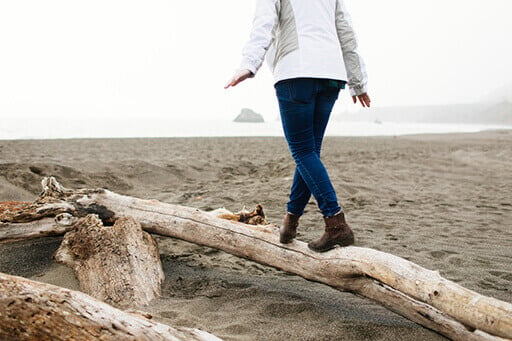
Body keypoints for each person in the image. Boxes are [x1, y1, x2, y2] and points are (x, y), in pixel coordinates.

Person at [225, 0, 371, 252]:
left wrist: (249, 65)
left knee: (303, 152)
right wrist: (357, 81)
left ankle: (336, 224)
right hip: (331, 75)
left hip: (296, 71)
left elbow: (263, 24)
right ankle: (290, 222)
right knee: (309, 152)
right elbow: (346, 33)